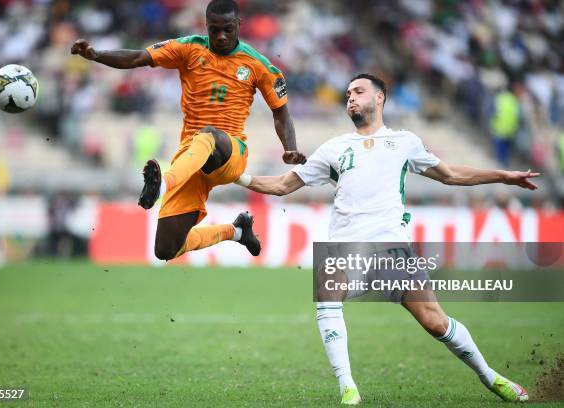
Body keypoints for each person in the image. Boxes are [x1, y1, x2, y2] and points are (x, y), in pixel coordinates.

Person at [235, 74, 537, 404]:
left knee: (436, 323)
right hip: (346, 246)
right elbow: (282, 184)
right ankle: (347, 387)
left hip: (392, 246)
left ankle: (491, 377)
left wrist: (503, 177)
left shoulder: (405, 142)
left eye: (359, 91)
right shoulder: (335, 148)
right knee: (327, 286)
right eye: (348, 92)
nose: (350, 97)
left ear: (379, 98)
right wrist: (238, 175)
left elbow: (450, 175)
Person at [71, 0, 305, 261]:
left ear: (239, 25)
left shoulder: (257, 64)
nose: (221, 36)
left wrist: (290, 148)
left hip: (230, 152)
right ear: (205, 26)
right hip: (191, 159)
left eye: (227, 29)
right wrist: (96, 55)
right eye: (214, 29)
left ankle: (162, 186)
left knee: (209, 134)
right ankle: (237, 231)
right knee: (166, 248)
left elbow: (281, 111)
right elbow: (138, 57)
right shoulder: (189, 48)